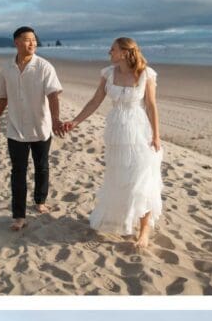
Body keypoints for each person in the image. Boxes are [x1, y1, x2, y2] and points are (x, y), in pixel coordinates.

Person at [64, 37, 161, 249]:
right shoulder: (108, 73)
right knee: (120, 178)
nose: (109, 52)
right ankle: (124, 219)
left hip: (139, 132)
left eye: (113, 49)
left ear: (125, 53)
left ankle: (143, 231)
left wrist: (156, 135)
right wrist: (76, 121)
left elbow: (151, 105)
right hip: (116, 133)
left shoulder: (145, 74)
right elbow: (95, 101)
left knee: (141, 179)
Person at [0, 26, 64, 231]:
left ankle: (40, 200)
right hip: (15, 128)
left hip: (41, 127)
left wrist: (56, 119)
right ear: (16, 42)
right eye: (27, 39)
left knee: (42, 166)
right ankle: (19, 216)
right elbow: (2, 97)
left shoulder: (44, 66)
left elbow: (53, 95)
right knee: (18, 172)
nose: (32, 43)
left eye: (34, 40)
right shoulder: (6, 69)